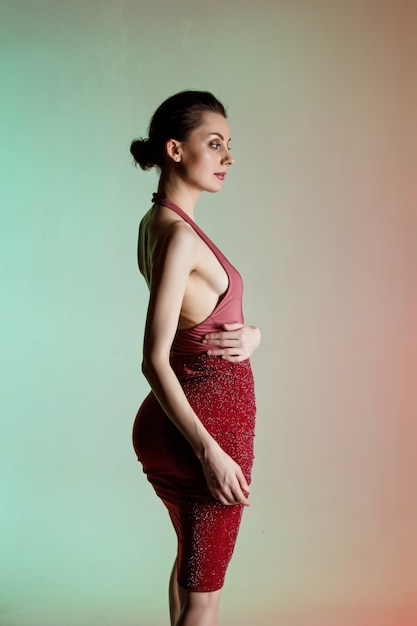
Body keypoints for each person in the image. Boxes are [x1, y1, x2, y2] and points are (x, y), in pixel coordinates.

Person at [131, 90, 261, 626]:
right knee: (204, 598)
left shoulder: (155, 222)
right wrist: (209, 451)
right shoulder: (179, 236)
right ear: (175, 150)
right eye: (214, 144)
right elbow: (154, 359)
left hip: (179, 422)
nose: (228, 158)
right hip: (205, 429)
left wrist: (252, 335)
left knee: (190, 566)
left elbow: (199, 319)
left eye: (229, 146)